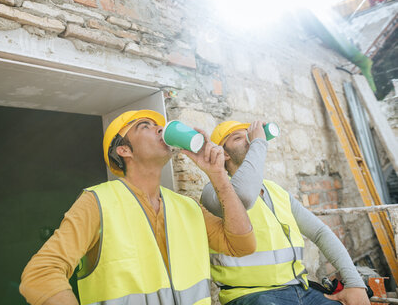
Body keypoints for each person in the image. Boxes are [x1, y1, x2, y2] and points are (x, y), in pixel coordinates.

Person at [19, 110, 256, 305]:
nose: (161, 129)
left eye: (159, 125)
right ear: (124, 150)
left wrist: (219, 177)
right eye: (145, 126)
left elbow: (242, 245)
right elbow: (40, 275)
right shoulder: (96, 202)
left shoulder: (187, 207)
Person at [201, 120, 370, 305]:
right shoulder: (213, 192)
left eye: (248, 135)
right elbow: (244, 196)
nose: (248, 139)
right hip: (250, 296)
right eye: (238, 138)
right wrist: (258, 142)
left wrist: (355, 284)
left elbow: (320, 233)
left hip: (300, 290)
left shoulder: (277, 192)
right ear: (224, 153)